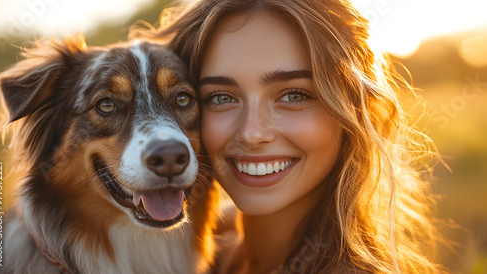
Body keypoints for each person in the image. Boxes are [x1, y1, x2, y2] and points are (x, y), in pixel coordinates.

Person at [142, 0, 445, 272]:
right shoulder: (198, 247)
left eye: (294, 95)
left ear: (353, 109)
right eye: (220, 97)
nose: (251, 134)